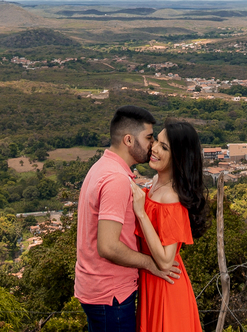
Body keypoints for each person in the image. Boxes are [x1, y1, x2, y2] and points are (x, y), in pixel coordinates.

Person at [76, 106, 182, 332]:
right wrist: (150, 265)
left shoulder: (102, 167)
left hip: (98, 289)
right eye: (148, 138)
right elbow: (108, 246)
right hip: (111, 293)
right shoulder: (116, 180)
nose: (152, 145)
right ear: (128, 140)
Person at [131, 118, 208, 332]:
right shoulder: (156, 182)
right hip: (152, 281)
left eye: (164, 147)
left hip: (165, 286)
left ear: (179, 157)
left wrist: (141, 213)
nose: (154, 148)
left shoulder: (172, 197)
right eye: (156, 141)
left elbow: (165, 261)